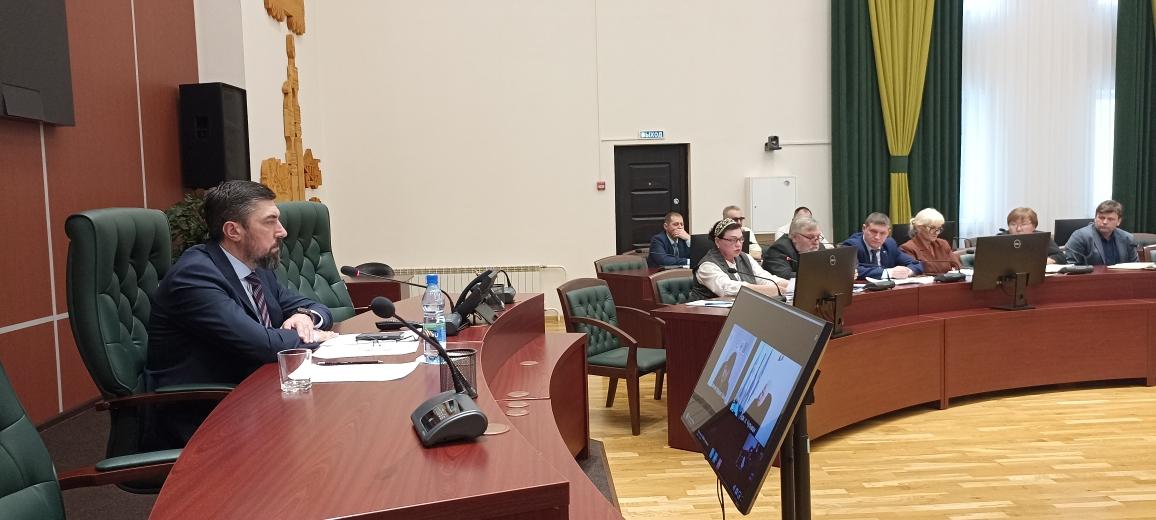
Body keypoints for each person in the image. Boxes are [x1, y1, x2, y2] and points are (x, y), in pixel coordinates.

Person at [146, 180, 338, 448]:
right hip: (206, 418)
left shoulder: (256, 268)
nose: (282, 231)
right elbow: (262, 344)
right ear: (233, 230)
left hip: (254, 400)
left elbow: (313, 306)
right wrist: (316, 336)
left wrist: (306, 317)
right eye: (270, 221)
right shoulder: (195, 276)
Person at [690, 218, 789, 301]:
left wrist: (791, 286)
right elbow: (728, 289)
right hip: (706, 315)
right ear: (717, 241)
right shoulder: (707, 266)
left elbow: (765, 278)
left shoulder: (745, 257)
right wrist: (774, 290)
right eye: (733, 240)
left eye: (741, 239)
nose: (738, 244)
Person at [841, 212, 923, 279]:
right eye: (873, 231)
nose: (877, 237)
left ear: (888, 232)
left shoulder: (890, 244)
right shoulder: (851, 245)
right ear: (864, 228)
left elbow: (916, 264)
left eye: (883, 233)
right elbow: (852, 271)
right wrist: (889, 273)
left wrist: (906, 272)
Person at [1064, 200, 1139, 266]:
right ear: (1095, 218)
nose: (1105, 222)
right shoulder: (1080, 236)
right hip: (1090, 277)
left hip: (1120, 277)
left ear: (1118, 221)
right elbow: (1070, 267)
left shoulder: (1127, 238)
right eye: (1101, 218)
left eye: (1110, 219)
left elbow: (1135, 267)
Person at [899, 208, 961, 275]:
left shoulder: (943, 244)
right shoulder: (908, 248)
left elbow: (957, 266)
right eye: (932, 228)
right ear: (919, 227)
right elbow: (914, 273)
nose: (937, 232)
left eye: (939, 228)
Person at [1001, 207, 1066, 264]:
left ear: (1034, 226)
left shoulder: (1042, 238)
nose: (1018, 229)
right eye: (1013, 224)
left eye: (1023, 224)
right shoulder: (1000, 239)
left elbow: (1061, 257)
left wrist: (1040, 262)